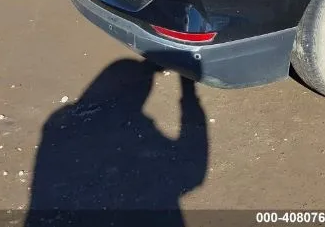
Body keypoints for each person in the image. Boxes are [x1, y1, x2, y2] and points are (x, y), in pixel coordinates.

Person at [25, 58, 207, 227]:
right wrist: (188, 90)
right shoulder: (59, 124)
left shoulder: (59, 124)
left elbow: (192, 176)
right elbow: (193, 171)